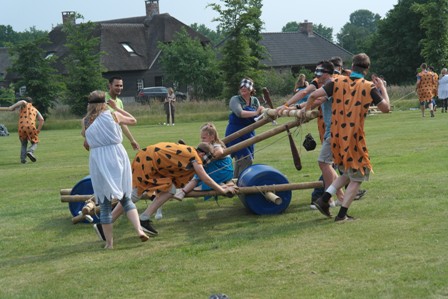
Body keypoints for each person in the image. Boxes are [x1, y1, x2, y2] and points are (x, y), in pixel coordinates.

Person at [305, 53, 390, 222]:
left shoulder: (337, 81)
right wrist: (384, 89)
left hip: (336, 137)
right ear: (367, 69)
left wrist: (305, 112)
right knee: (358, 175)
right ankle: (342, 215)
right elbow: (386, 108)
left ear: (352, 65)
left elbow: (313, 96)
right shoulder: (368, 86)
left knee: (347, 173)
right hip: (353, 138)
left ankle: (323, 200)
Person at [81, 90, 149, 249]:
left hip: (98, 159)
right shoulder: (113, 115)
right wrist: (116, 108)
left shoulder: (85, 121)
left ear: (89, 104)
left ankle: (109, 243)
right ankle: (138, 229)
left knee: (104, 203)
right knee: (125, 198)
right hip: (117, 156)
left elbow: (86, 141)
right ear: (104, 103)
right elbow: (133, 120)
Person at [174, 123, 234, 200]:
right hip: (219, 169)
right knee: (198, 170)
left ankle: (183, 192)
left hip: (222, 170)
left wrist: (213, 156)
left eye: (204, 138)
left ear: (212, 137)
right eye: (201, 138)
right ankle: (186, 149)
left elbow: (220, 152)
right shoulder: (208, 145)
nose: (202, 140)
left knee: (199, 174)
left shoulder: (216, 145)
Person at [225, 78, 264, 178]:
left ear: (251, 89)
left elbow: (258, 118)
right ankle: (242, 184)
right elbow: (240, 113)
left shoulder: (255, 101)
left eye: (246, 86)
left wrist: (264, 113)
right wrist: (256, 112)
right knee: (246, 159)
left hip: (249, 133)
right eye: (241, 86)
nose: (243, 88)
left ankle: (235, 183)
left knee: (240, 160)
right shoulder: (235, 99)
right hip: (235, 133)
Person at [5, 97, 44, 164]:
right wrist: (38, 130)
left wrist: (12, 107)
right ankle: (30, 151)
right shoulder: (34, 109)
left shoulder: (24, 105)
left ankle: (23, 159)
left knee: (23, 144)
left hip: (21, 127)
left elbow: (22, 101)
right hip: (31, 126)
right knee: (35, 142)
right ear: (31, 102)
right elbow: (41, 120)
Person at [106, 76, 140, 150]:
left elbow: (122, 123)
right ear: (110, 85)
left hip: (115, 140)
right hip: (104, 141)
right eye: (117, 85)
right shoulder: (103, 98)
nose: (119, 88)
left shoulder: (119, 102)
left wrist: (132, 140)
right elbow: (93, 117)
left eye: (121, 85)